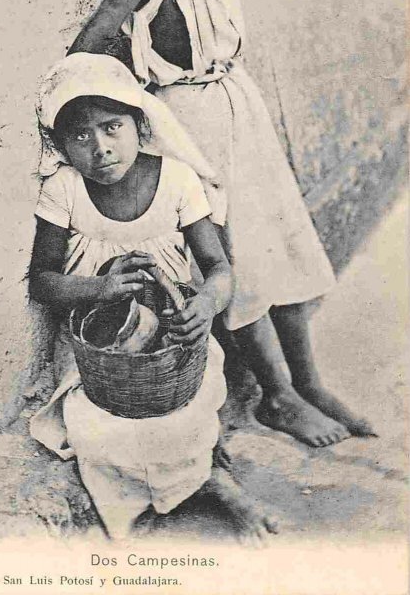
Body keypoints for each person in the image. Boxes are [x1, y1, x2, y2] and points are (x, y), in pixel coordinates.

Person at [68, 0, 375, 446]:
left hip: (239, 107)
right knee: (235, 256)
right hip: (190, 122)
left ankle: (309, 380)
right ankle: (278, 396)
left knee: (280, 243)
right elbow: (93, 42)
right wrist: (127, 111)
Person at [29, 53, 278, 540]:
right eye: (79, 136)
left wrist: (205, 305)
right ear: (58, 144)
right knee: (97, 423)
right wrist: (97, 288)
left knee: (184, 412)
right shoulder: (64, 188)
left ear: (139, 123)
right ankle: (145, 505)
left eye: (111, 126)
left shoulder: (177, 180)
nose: (99, 148)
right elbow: (41, 279)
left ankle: (216, 485)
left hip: (174, 337)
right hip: (97, 345)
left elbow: (218, 269)